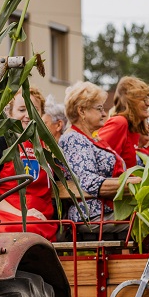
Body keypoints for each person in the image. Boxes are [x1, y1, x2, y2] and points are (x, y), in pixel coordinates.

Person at [59, 81, 140, 224]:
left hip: (106, 210)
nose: (104, 114)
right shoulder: (73, 139)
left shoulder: (91, 139)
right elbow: (89, 182)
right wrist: (132, 183)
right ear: (81, 111)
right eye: (99, 108)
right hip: (92, 215)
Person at [0, 87, 57, 240]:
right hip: (7, 215)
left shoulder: (48, 148)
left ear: (41, 114)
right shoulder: (0, 144)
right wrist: (23, 214)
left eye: (34, 109)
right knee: (28, 230)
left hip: (42, 216)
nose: (28, 115)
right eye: (22, 109)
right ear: (10, 113)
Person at [97, 75, 149, 165]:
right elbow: (97, 157)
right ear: (131, 101)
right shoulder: (119, 122)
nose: (148, 103)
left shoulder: (133, 129)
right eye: (144, 100)